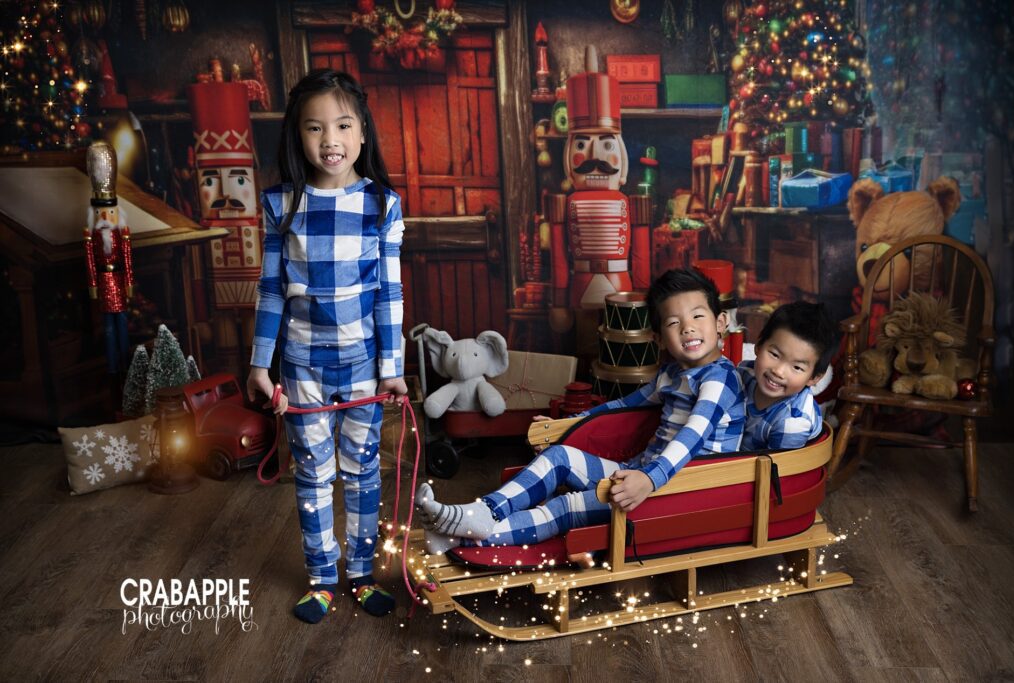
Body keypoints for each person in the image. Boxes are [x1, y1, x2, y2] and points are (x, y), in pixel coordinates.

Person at [417, 268, 745, 554]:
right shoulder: (672, 374)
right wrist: (566, 426)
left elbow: (692, 436)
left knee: (564, 508)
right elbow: (621, 406)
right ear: (659, 339)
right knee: (558, 456)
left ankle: (462, 540)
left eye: (698, 317)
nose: (688, 328)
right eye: (675, 322)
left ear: (720, 324)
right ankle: (483, 512)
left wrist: (648, 478)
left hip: (684, 487)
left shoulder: (720, 379)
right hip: (642, 473)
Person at [246, 69, 407, 624]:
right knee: (313, 476)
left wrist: (393, 368)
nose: (330, 140)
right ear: (298, 136)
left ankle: (361, 573)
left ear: (363, 133)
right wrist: (259, 365)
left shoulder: (382, 204)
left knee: (363, 473)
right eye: (315, 128)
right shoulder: (279, 204)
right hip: (301, 369)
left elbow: (389, 293)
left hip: (363, 366)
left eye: (342, 125)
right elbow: (270, 290)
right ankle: (321, 577)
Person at [738, 301, 839, 451]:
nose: (779, 371)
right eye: (774, 354)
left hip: (775, 470)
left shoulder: (793, 422)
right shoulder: (743, 373)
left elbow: (779, 470)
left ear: (814, 378)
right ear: (758, 347)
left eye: (797, 367)